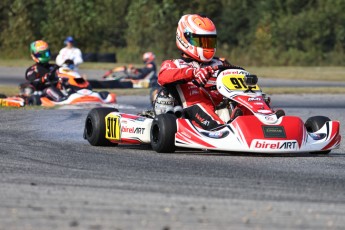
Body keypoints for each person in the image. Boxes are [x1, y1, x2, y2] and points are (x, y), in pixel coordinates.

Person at [158, 14, 244, 130]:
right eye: (201, 41)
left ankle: (265, 121)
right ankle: (221, 130)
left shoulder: (220, 63)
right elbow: (163, 77)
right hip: (193, 111)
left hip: (221, 108)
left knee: (243, 102)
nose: (206, 46)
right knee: (200, 106)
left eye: (209, 42)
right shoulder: (174, 64)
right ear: (185, 38)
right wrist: (193, 72)